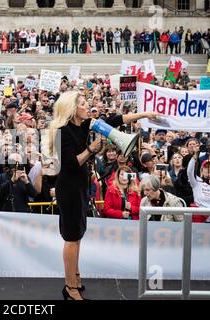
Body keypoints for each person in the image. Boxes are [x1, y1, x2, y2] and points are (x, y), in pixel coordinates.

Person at [47, 90, 158, 300]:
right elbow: (71, 164)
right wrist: (91, 149)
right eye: (82, 104)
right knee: (71, 237)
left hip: (80, 187)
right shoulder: (63, 131)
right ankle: (70, 288)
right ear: (72, 109)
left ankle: (75, 278)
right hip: (69, 189)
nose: (87, 106)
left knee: (78, 234)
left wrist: (144, 114)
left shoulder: (87, 124)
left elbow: (115, 120)